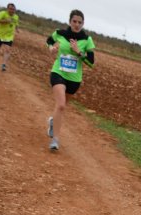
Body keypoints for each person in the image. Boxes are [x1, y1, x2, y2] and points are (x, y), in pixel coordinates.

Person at [45, 9, 95, 151]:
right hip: (58, 72)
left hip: (74, 79)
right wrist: (51, 48)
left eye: (80, 22)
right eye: (74, 21)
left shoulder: (87, 39)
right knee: (60, 105)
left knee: (61, 107)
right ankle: (55, 139)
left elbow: (91, 63)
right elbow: (49, 40)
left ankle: (52, 122)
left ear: (83, 23)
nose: (77, 24)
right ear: (70, 21)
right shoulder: (60, 33)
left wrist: (79, 51)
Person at [0, 3, 19, 72]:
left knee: (8, 49)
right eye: (10, 9)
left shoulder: (16, 17)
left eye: (13, 9)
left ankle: (4, 64)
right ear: (7, 9)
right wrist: (5, 21)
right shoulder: (2, 13)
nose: (12, 10)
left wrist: (17, 29)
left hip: (9, 36)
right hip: (0, 35)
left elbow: (16, 23)